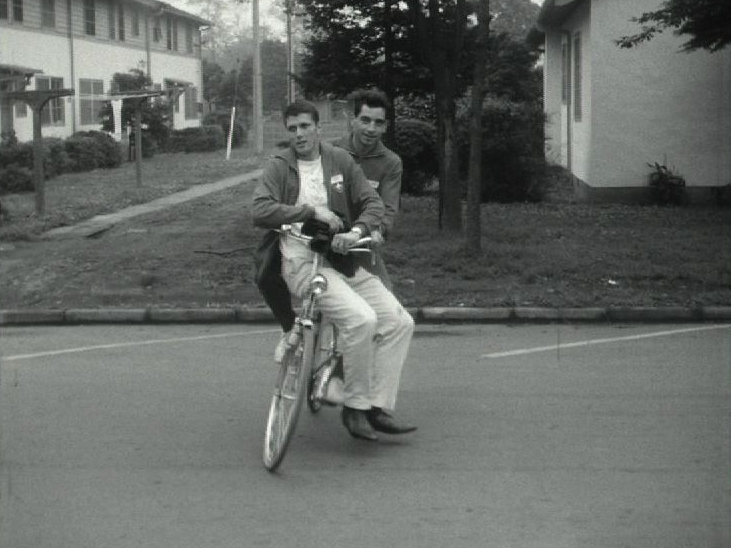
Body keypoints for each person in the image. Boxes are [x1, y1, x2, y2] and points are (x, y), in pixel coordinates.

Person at [252, 99, 416, 441]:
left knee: (399, 322)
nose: (299, 134)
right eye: (293, 128)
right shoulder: (280, 165)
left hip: (343, 258)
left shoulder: (339, 160)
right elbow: (260, 210)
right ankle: (355, 408)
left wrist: (356, 232)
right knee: (361, 320)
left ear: (318, 128)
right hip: (303, 262)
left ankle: (376, 406)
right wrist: (309, 212)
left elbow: (373, 204)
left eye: (305, 127)